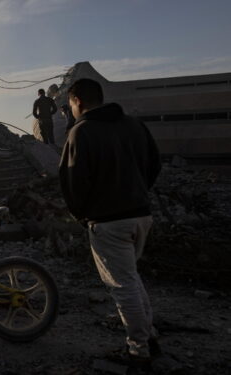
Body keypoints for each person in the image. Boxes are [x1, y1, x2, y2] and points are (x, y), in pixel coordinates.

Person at [59, 79, 162, 365]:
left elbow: (72, 181)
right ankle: (148, 335)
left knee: (122, 285)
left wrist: (82, 214)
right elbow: (154, 164)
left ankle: (138, 349)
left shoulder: (82, 132)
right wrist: (138, 194)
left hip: (108, 221)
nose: (71, 110)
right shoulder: (134, 125)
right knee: (130, 277)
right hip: (141, 214)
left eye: (69, 104)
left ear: (77, 100)